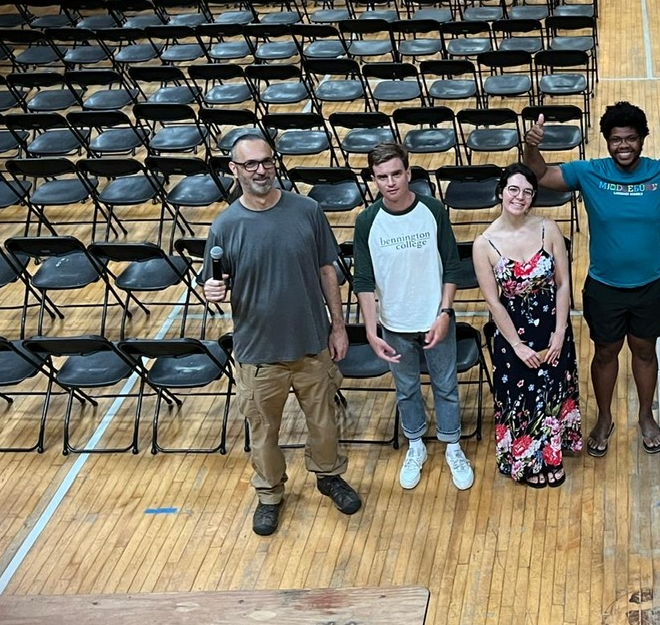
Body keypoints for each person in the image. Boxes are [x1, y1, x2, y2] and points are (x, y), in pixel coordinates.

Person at [523, 100, 660, 456]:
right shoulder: (589, 172)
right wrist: (531, 146)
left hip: (650, 286)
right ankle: (604, 417)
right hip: (604, 288)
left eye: (630, 139)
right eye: (616, 139)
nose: (623, 146)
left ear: (643, 139)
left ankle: (646, 416)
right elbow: (540, 175)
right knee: (605, 354)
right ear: (606, 140)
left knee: (645, 352)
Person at [202, 133, 361, 537]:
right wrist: (213, 290)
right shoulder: (224, 226)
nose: (261, 170)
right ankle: (270, 495)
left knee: (324, 424)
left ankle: (328, 476)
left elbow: (329, 270)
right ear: (234, 171)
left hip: (312, 344)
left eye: (267, 161)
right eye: (251, 164)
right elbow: (215, 286)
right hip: (258, 353)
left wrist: (338, 326)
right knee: (263, 433)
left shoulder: (306, 210)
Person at [353, 141, 475, 493]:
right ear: (373, 180)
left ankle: (453, 446)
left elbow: (452, 265)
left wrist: (445, 312)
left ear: (408, 173)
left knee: (446, 386)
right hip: (394, 326)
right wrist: (372, 330)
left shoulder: (433, 211)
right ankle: (416, 445)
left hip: (436, 320)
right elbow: (363, 279)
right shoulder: (367, 222)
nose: (390, 182)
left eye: (396, 174)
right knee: (406, 390)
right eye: (381, 177)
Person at [473, 163, 581, 487]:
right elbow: (493, 301)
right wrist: (517, 345)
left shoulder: (549, 229)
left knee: (551, 391)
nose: (520, 197)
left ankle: (552, 454)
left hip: (552, 328)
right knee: (521, 397)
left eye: (527, 192)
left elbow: (563, 284)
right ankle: (528, 461)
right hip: (512, 335)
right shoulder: (484, 244)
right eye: (514, 189)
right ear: (501, 191)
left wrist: (560, 333)